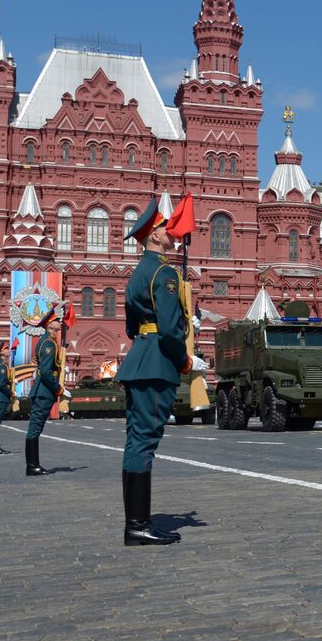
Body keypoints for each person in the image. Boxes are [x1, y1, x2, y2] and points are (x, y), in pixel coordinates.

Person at [115, 198, 197, 546]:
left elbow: (133, 327)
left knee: (136, 441)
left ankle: (137, 523)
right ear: (153, 236)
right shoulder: (164, 273)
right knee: (144, 443)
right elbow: (168, 329)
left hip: (140, 359)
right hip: (156, 363)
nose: (171, 232)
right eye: (165, 227)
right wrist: (185, 359)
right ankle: (138, 525)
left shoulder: (138, 274)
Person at [25, 307, 64, 476]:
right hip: (45, 391)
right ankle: (32, 466)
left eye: (58, 330)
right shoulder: (49, 344)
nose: (56, 332)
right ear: (48, 328)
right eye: (54, 329)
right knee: (35, 428)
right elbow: (47, 372)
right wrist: (58, 387)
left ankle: (32, 465)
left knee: (35, 427)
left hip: (42, 390)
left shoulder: (43, 341)